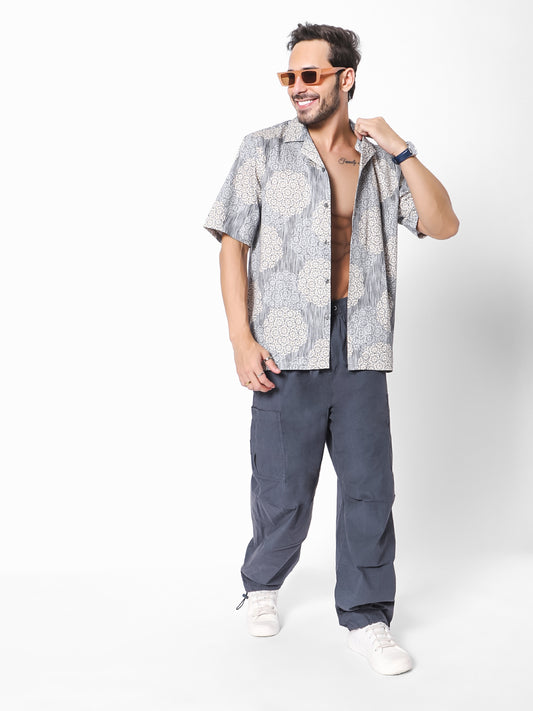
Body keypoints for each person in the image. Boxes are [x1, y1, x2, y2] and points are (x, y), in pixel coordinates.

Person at [204, 22, 459, 676]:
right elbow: (233, 244)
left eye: (309, 74)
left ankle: (367, 616)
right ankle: (261, 582)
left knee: (370, 489)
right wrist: (240, 338)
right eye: (289, 76)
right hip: (285, 341)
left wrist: (402, 150)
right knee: (283, 488)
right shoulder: (262, 149)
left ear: (344, 78)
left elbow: (442, 224)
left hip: (360, 341)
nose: (297, 86)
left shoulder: (376, 160)